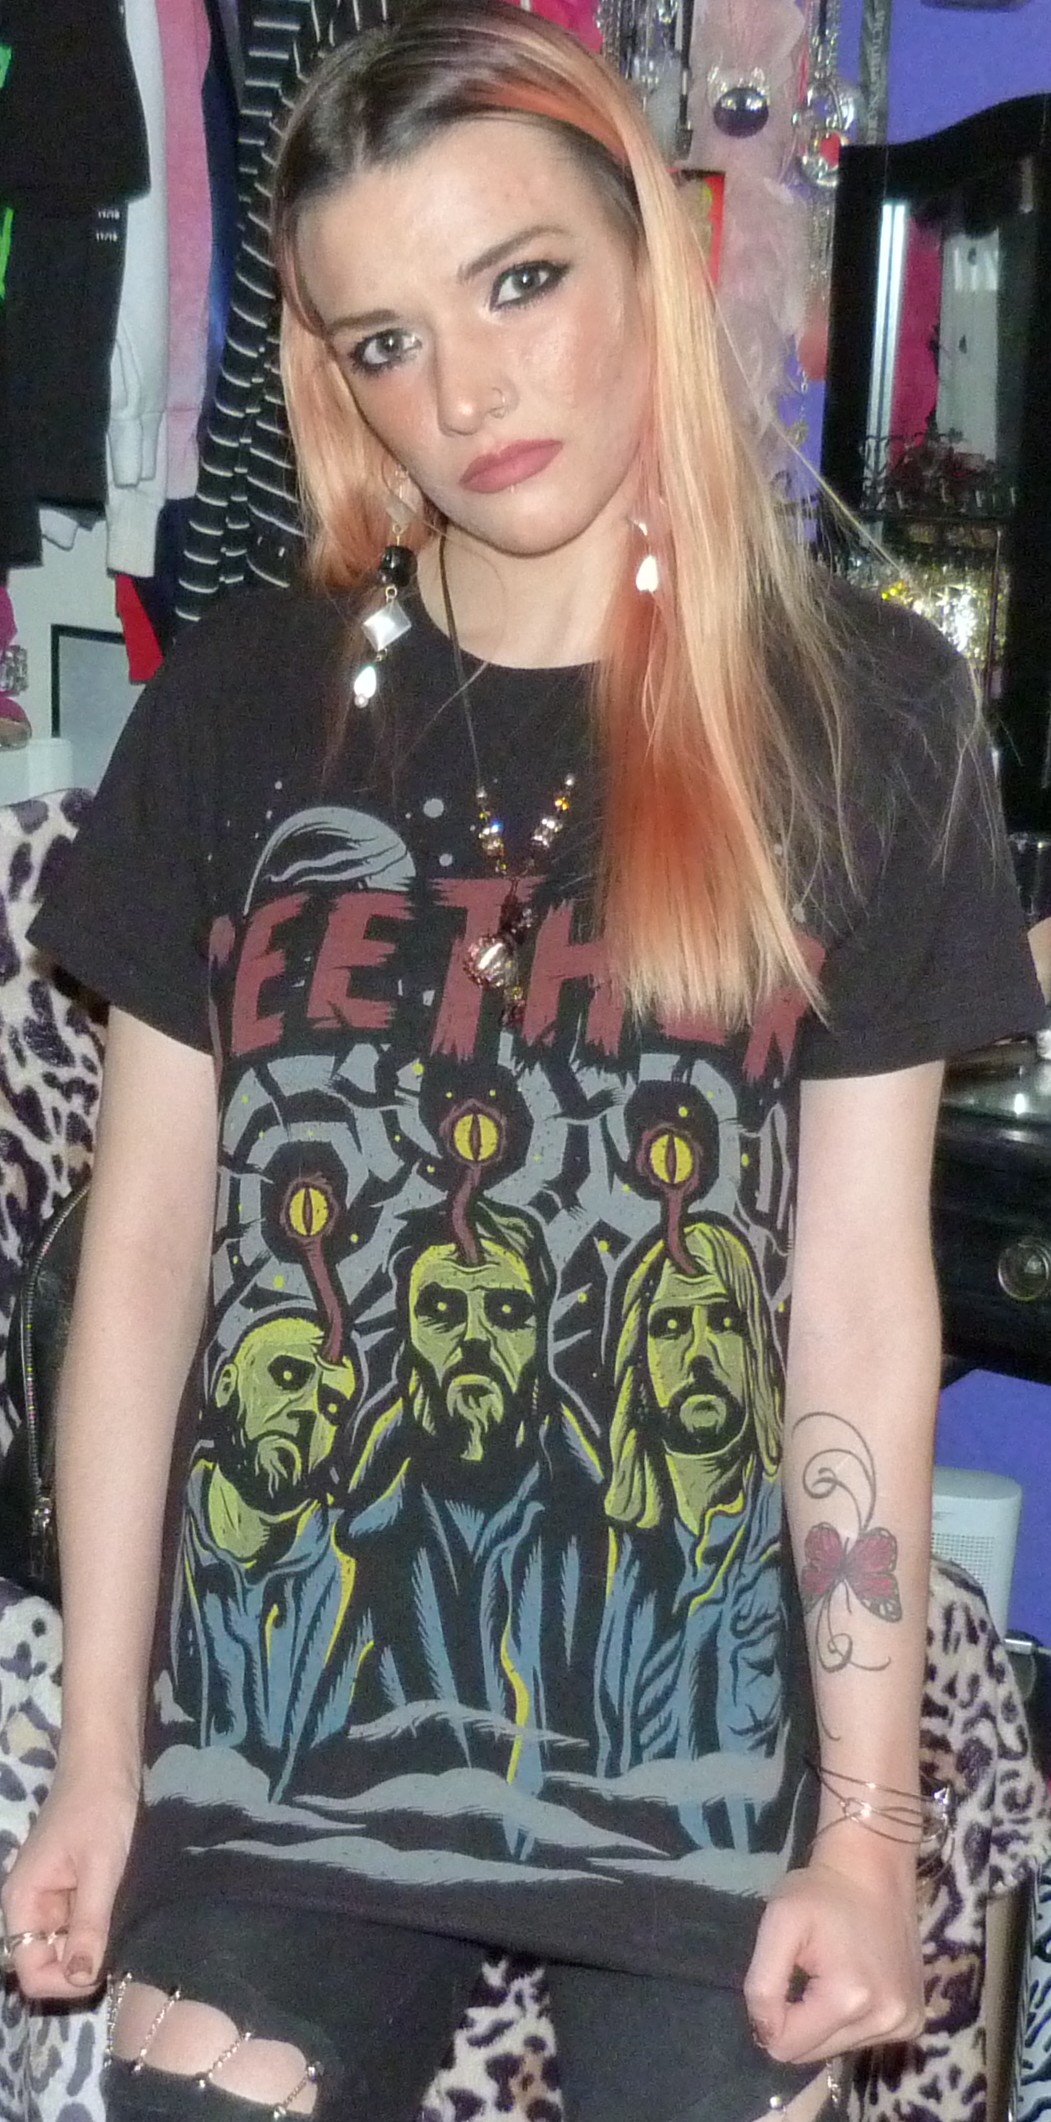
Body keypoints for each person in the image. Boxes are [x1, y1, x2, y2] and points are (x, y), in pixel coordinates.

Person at [1, 5, 1042, 2120]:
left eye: (519, 282)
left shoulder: (859, 709)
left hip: (688, 1732)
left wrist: (866, 1827)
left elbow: (855, 1304)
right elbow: (148, 1257)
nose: (463, 393)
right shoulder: (246, 701)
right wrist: (100, 1755)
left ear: (650, 256)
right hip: (287, 1719)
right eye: (385, 339)